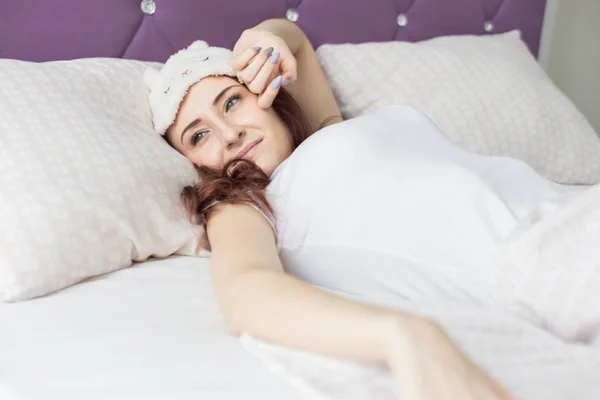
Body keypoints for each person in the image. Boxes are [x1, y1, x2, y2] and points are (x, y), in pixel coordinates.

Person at [144, 18, 513, 400]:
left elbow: (297, 43)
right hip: (526, 256)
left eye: (232, 101)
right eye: (199, 135)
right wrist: (405, 335)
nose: (230, 133)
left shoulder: (326, 130)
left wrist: (265, 39)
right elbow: (246, 290)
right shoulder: (242, 204)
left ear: (264, 92)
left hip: (559, 208)